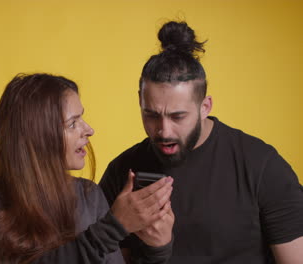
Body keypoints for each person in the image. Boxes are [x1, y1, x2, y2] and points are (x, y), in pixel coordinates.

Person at [99, 21, 303, 263]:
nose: (164, 130)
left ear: (205, 106)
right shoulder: (122, 171)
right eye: (151, 115)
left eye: (178, 116)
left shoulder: (261, 166)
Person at [0, 73, 174, 264]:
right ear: (38, 135)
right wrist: (112, 228)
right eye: (72, 123)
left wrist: (156, 248)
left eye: (82, 118)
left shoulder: (89, 196)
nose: (89, 130)